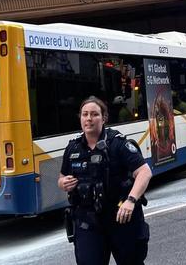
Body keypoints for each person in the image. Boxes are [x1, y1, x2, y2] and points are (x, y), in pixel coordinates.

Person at [58, 96, 152, 265]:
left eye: (94, 114)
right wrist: (63, 183)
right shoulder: (73, 148)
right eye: (85, 114)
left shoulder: (118, 144)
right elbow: (61, 177)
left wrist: (131, 200)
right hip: (88, 224)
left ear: (104, 118)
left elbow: (144, 172)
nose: (89, 119)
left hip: (120, 221)